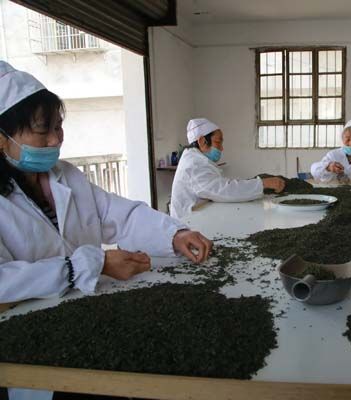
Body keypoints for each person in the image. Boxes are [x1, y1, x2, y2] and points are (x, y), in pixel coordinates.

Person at [0, 61, 213, 400]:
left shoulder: (66, 176)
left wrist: (174, 234)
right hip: (35, 344)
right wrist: (86, 266)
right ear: (2, 138)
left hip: (93, 319)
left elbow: (119, 215)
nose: (56, 139)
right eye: (43, 130)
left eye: (58, 126)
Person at [169, 118, 285, 219]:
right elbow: (224, 190)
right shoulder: (194, 165)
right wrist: (262, 184)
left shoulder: (197, 159)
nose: (221, 148)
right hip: (189, 223)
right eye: (218, 142)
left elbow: (220, 186)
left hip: (198, 215)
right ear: (202, 141)